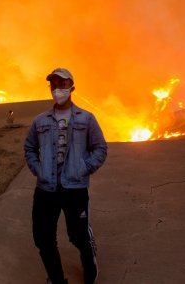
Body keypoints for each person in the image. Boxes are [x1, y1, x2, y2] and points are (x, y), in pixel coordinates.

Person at [24, 67, 108, 284]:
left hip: (75, 188)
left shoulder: (87, 118)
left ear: (72, 88)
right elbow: (29, 148)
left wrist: (84, 167)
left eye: (62, 84)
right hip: (46, 189)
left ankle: (90, 264)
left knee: (77, 235)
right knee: (43, 238)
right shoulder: (40, 121)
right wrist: (38, 170)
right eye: (54, 85)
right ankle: (56, 279)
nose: (57, 89)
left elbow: (100, 148)